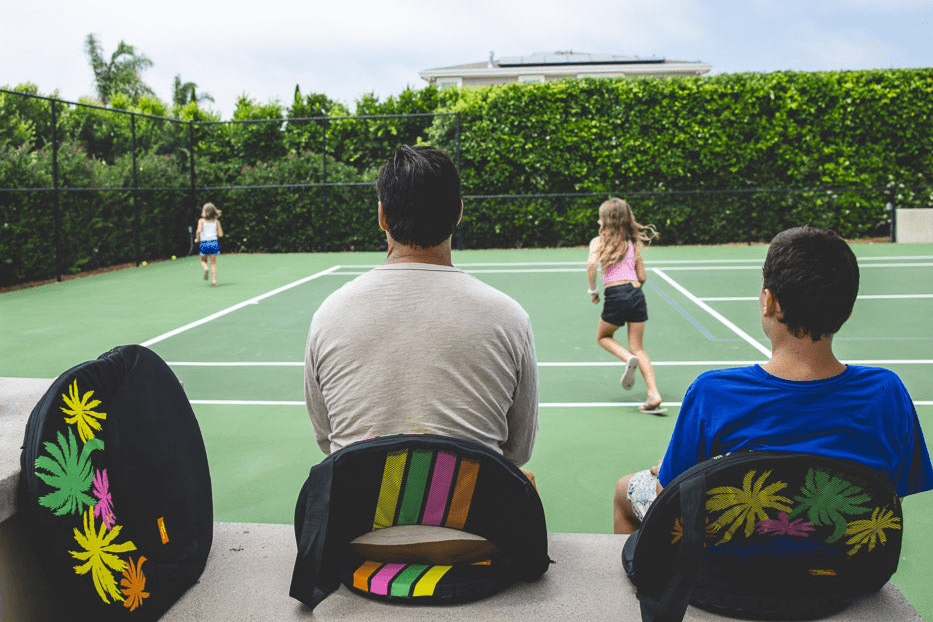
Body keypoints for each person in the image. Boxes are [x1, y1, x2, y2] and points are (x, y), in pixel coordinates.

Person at [613, 225, 933, 534]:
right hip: (846, 565)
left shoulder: (712, 393)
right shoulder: (888, 393)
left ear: (769, 301)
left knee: (624, 491)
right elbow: (891, 499)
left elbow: (667, 501)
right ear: (847, 309)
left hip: (733, 565)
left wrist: (667, 472)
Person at [304, 145, 539, 474]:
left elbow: (327, 438)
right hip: (470, 503)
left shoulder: (328, 315)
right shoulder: (510, 317)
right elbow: (518, 450)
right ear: (458, 213)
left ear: (382, 215)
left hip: (356, 503)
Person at [586, 198, 663, 413]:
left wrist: (593, 291)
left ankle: (628, 358)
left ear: (605, 220)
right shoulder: (632, 243)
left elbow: (591, 265)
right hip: (636, 294)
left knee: (603, 337)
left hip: (615, 293)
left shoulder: (598, 242)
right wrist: (633, 291)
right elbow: (642, 276)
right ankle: (654, 394)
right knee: (638, 347)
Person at [195, 202, 224, 287]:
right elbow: (220, 234)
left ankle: (206, 268)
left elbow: (198, 231)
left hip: (204, 243)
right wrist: (217, 230)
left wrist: (197, 239)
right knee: (213, 263)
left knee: (203, 260)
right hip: (214, 243)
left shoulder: (201, 221)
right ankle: (214, 281)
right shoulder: (216, 222)